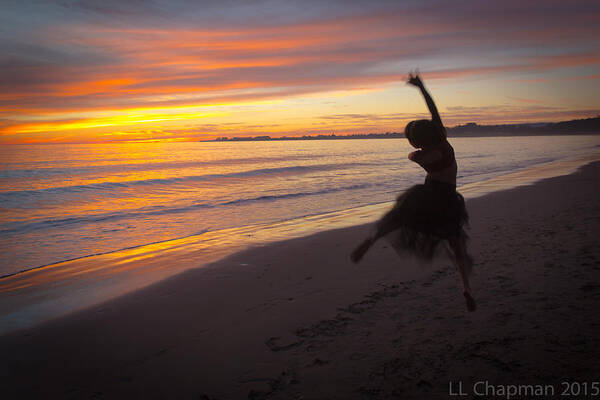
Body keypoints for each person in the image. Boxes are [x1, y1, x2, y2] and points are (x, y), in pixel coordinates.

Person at [350, 73, 476, 312]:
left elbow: (413, 155)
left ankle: (370, 241)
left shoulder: (422, 156)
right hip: (448, 198)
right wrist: (421, 87)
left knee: (396, 218)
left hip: (427, 195)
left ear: (418, 141)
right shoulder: (443, 142)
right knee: (456, 244)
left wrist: (413, 152)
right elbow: (433, 108)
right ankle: (466, 287)